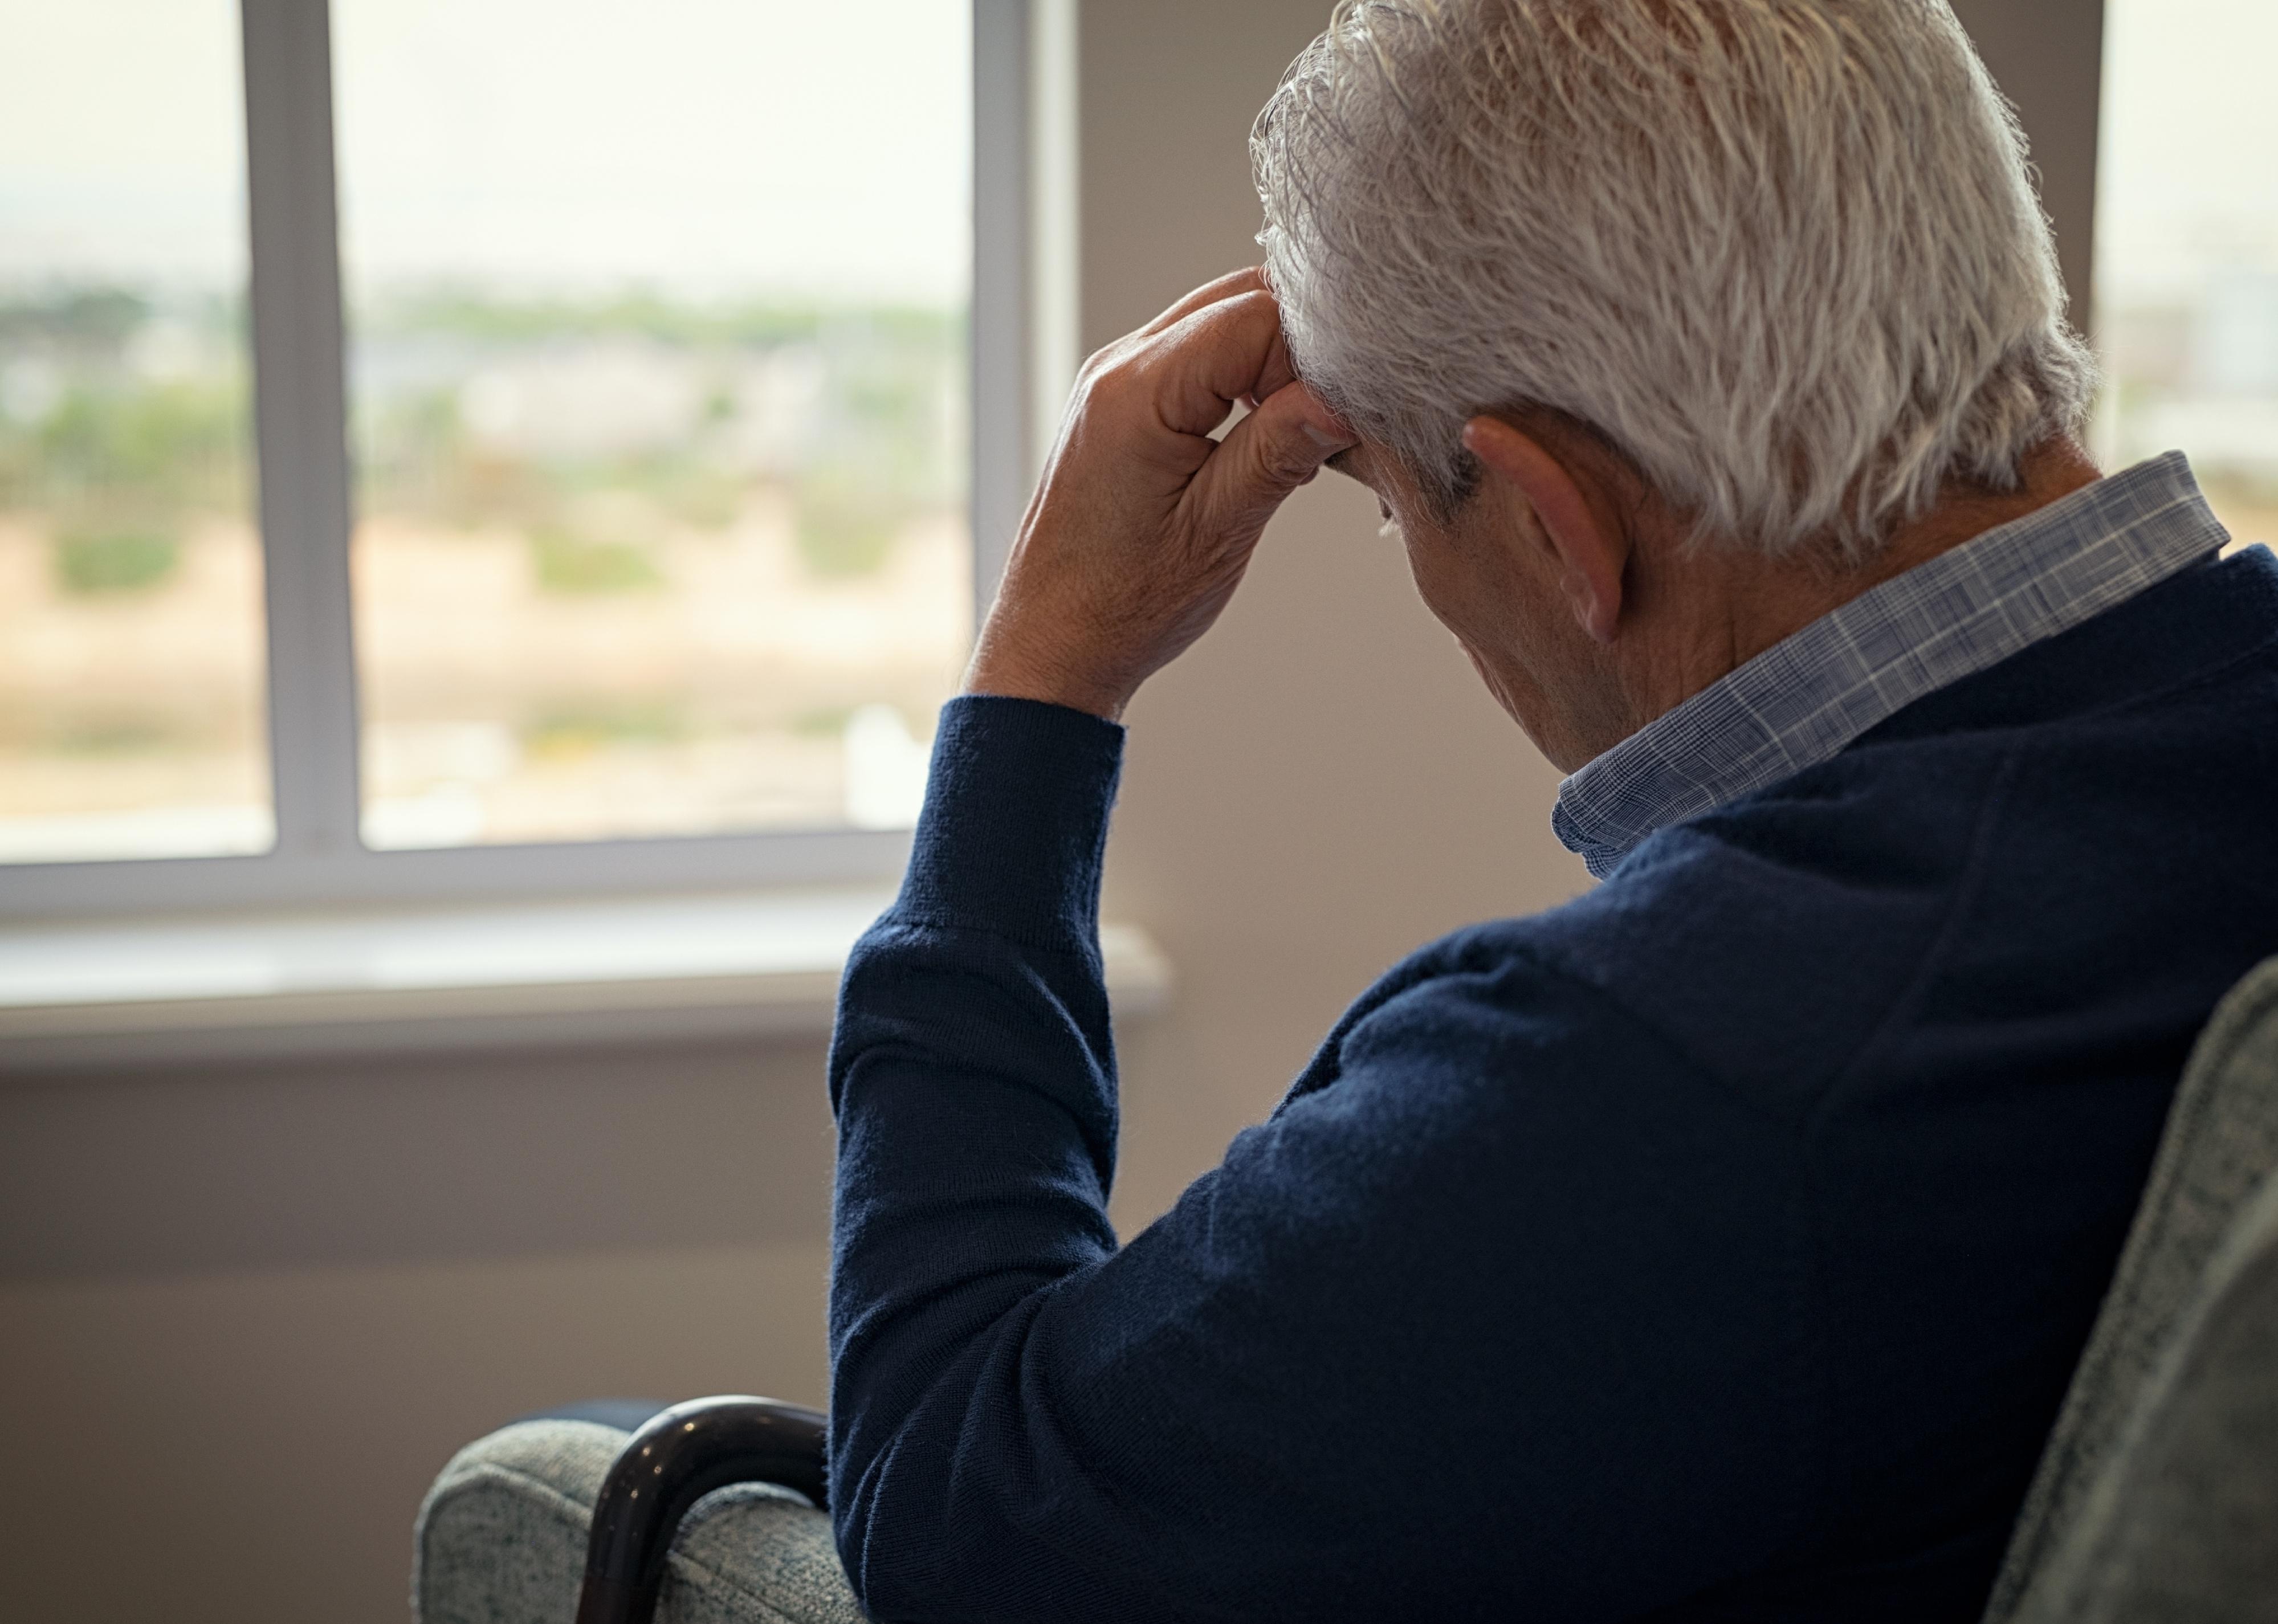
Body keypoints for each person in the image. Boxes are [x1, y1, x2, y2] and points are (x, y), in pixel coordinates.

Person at [822, 2, 2278, 1620]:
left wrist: (1038, 682)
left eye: (1391, 512)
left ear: (1547, 518)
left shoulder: (1670, 1070)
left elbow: (954, 1515)